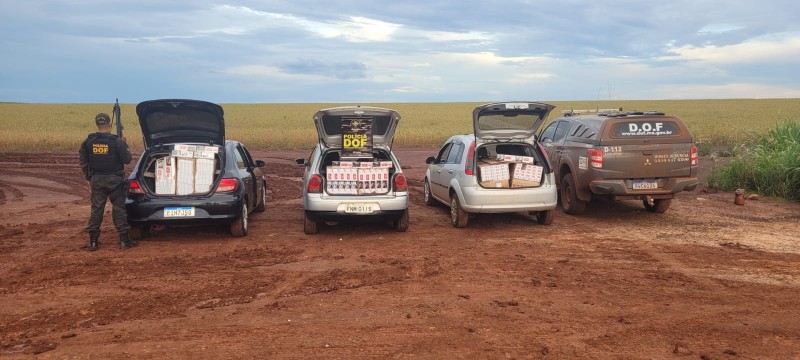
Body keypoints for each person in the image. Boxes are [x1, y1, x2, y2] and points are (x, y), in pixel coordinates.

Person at [79, 112, 136, 250]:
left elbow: (83, 163)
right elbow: (127, 160)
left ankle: (93, 242)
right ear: (110, 124)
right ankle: (124, 241)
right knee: (119, 209)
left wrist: (89, 178)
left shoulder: (88, 142)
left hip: (97, 179)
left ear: (97, 124)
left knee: (96, 210)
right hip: (115, 180)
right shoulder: (117, 142)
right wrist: (124, 143)